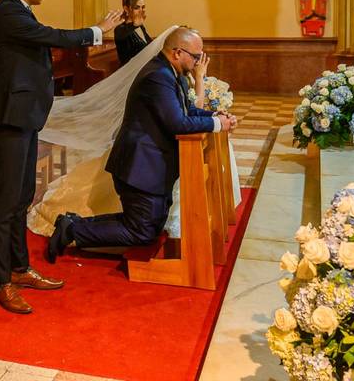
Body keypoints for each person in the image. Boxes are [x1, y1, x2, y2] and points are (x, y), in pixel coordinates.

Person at [0, 0, 123, 314]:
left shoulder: (19, 10)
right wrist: (96, 31)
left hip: (23, 116)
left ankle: (20, 267)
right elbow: (50, 36)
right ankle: (2, 281)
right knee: (8, 200)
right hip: (9, 118)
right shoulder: (8, 11)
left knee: (23, 194)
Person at [46, 28, 235, 259]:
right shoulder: (158, 76)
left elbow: (187, 111)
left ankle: (72, 223)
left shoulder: (173, 74)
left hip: (152, 166)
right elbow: (176, 123)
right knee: (141, 232)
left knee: (147, 226)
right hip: (140, 166)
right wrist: (216, 126)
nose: (198, 62)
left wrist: (216, 118)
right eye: (195, 56)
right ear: (177, 53)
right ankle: (72, 229)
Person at [113, 0, 152, 66]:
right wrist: (134, 25)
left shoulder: (140, 26)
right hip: (130, 72)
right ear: (126, 9)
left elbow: (149, 45)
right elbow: (121, 36)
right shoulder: (120, 29)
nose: (141, 10)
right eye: (137, 7)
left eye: (143, 7)